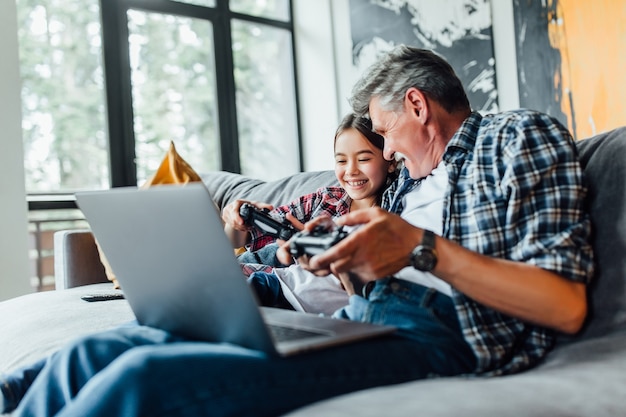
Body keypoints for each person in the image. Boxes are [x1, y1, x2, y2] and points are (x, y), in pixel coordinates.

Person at [3, 45, 593, 417]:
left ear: (417, 106)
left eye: (384, 134)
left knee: (143, 378)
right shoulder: (406, 186)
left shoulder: (516, 138)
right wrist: (343, 260)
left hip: (441, 339)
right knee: (99, 351)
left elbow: (564, 306)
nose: (384, 150)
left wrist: (417, 248)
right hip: (356, 321)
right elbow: (378, 278)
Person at [221, 113, 398, 313]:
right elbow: (237, 241)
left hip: (282, 286)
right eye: (341, 161)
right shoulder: (326, 199)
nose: (351, 170)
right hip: (251, 265)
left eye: (364, 159)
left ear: (390, 161)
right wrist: (237, 219)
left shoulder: (395, 210)